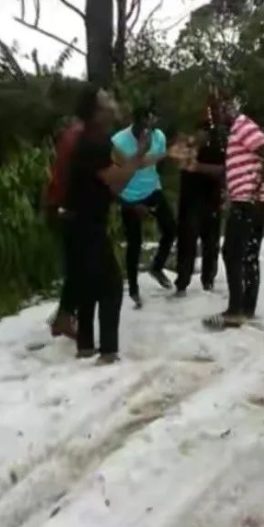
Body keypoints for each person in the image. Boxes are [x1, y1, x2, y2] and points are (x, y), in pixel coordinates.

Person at [64, 89, 149, 363]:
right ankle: (108, 353)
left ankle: (86, 346)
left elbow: (109, 185)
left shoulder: (89, 140)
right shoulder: (94, 144)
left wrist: (134, 162)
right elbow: (116, 179)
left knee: (89, 283)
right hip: (86, 224)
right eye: (105, 100)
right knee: (111, 286)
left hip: (75, 221)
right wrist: (138, 156)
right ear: (97, 113)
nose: (113, 102)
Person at [204, 97, 264, 330]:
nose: (217, 116)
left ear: (230, 108)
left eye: (220, 110)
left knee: (232, 253)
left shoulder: (242, 125)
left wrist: (254, 189)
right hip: (252, 200)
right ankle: (246, 309)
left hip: (248, 202)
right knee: (248, 255)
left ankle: (235, 311)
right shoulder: (236, 132)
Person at [112, 106, 177, 308]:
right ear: (135, 121)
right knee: (134, 242)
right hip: (129, 195)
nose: (149, 129)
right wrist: (164, 153)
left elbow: (157, 167)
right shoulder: (119, 141)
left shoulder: (159, 136)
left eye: (152, 124)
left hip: (152, 189)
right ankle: (133, 289)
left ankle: (156, 267)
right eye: (144, 124)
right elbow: (136, 164)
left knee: (171, 229)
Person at [175, 98, 226, 296]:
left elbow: (223, 170)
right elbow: (179, 158)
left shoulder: (219, 142)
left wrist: (198, 167)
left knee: (211, 243)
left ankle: (208, 282)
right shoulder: (188, 144)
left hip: (211, 198)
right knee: (186, 242)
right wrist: (191, 145)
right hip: (190, 201)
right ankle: (181, 284)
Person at [43, 116, 84, 340]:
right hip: (70, 210)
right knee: (82, 268)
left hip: (62, 208)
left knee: (77, 268)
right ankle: (64, 318)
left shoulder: (73, 134)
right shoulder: (78, 135)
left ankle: (64, 316)